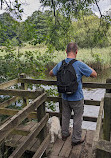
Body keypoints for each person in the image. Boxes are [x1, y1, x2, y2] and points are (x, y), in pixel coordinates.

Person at [49, 42, 97, 146]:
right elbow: (94, 74)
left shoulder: (61, 63)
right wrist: (86, 67)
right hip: (77, 97)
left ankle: (65, 134)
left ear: (66, 51)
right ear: (76, 52)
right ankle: (76, 139)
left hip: (65, 96)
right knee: (77, 118)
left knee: (65, 116)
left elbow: (51, 73)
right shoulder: (79, 64)